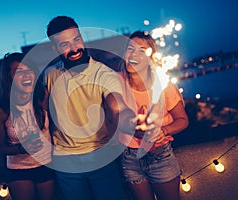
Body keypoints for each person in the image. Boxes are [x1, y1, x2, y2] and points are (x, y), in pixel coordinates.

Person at [43, 16, 154, 200]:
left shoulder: (104, 74)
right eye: (65, 44)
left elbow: (117, 108)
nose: (74, 48)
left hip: (101, 157)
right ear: (54, 47)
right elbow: (42, 111)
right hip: (65, 161)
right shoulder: (50, 75)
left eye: (77, 39)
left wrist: (133, 122)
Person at [118, 31, 189, 200]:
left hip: (160, 157)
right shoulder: (115, 82)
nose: (134, 54)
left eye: (141, 50)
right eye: (130, 49)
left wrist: (163, 130)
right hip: (130, 157)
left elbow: (183, 120)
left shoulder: (163, 85)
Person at [0, 52, 55, 200]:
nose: (26, 75)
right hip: (19, 170)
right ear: (9, 78)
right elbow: (0, 147)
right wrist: (21, 148)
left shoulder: (42, 96)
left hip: (46, 164)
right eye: (19, 72)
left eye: (29, 70)